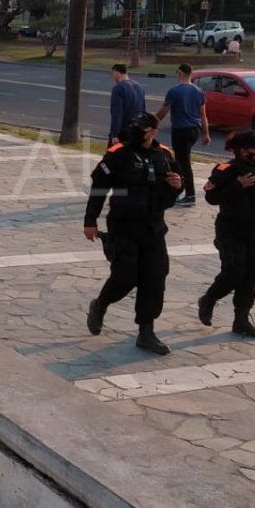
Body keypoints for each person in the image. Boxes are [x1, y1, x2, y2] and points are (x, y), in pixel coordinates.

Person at [84, 112, 183, 355]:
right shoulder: (118, 153)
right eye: (133, 126)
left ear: (153, 132)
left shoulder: (166, 155)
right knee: (125, 277)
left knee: (155, 277)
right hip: (123, 226)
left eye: (141, 127)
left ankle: (146, 332)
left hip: (153, 228)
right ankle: (100, 305)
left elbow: (174, 192)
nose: (136, 130)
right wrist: (90, 221)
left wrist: (177, 186)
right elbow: (99, 188)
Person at [197, 131, 255, 339]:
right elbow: (211, 197)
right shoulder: (225, 170)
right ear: (242, 150)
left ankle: (241, 320)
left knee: (251, 275)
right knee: (234, 271)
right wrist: (237, 185)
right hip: (231, 230)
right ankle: (209, 299)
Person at [155, 64, 211, 207]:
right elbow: (203, 115)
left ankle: (189, 194)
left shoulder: (174, 91)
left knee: (182, 163)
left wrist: (152, 123)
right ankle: (183, 190)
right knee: (182, 160)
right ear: (191, 74)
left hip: (181, 130)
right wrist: (206, 134)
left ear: (179, 73)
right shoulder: (199, 91)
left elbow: (164, 110)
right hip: (194, 130)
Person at [108, 64, 146, 146]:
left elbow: (117, 113)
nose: (112, 77)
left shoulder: (119, 88)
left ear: (116, 73)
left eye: (112, 74)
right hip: (136, 130)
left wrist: (114, 134)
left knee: (113, 157)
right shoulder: (139, 87)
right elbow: (143, 110)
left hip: (123, 130)